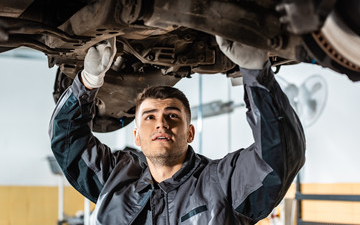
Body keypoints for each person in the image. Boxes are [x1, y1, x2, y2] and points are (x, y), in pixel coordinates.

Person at [49, 36, 306, 225]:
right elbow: (67, 141)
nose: (161, 123)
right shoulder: (115, 180)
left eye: (172, 115)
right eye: (150, 117)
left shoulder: (223, 183)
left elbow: (279, 157)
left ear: (190, 133)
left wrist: (256, 72)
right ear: (136, 136)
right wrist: (88, 81)